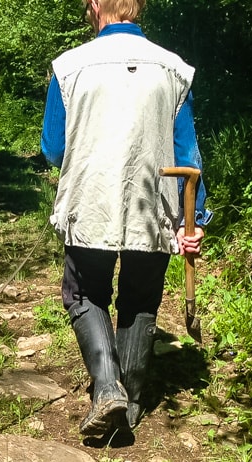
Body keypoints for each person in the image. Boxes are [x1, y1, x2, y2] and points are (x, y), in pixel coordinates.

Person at [41, 0, 212, 437]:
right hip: (154, 203)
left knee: (84, 293)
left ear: (96, 5)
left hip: (90, 200)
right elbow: (187, 155)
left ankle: (106, 389)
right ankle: (130, 406)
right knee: (140, 299)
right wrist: (193, 220)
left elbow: (54, 149)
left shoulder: (69, 67)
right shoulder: (173, 69)